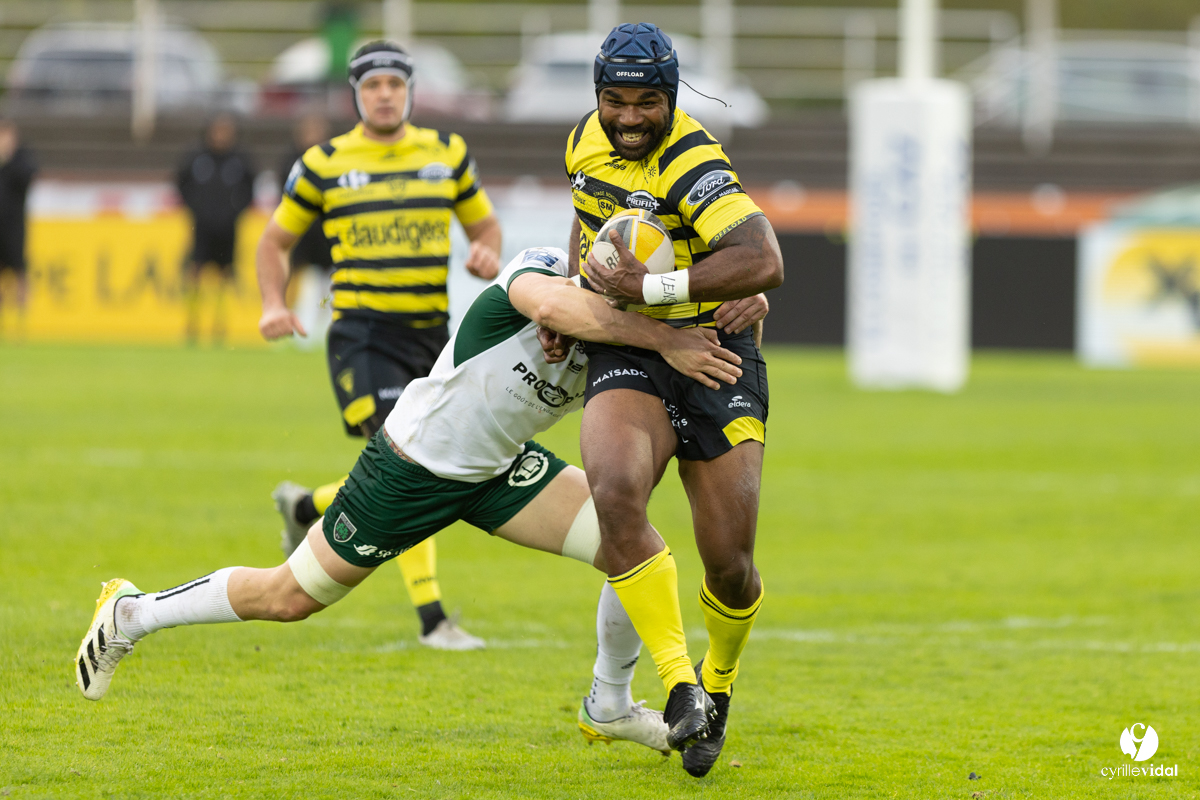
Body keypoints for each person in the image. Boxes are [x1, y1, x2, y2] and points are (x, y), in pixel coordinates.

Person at [73, 246, 753, 762]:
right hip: (412, 466)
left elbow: (717, 304)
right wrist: (662, 336)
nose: (616, 292)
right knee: (288, 597)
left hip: (499, 470)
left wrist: (749, 302)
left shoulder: (625, 335)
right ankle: (131, 612)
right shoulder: (540, 272)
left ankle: (607, 705)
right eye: (607, 277)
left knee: (631, 544)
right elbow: (552, 307)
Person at [562, 23, 784, 777]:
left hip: (714, 356)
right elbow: (586, 219)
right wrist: (571, 299)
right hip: (629, 349)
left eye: (647, 102)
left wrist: (650, 287)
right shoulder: (582, 142)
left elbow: (763, 259)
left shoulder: (692, 157)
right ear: (597, 97)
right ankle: (679, 685)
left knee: (729, 564)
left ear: (673, 96)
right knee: (617, 493)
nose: (629, 118)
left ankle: (717, 683)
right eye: (615, 101)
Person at [257, 42, 505, 650]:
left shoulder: (446, 154)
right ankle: (433, 620)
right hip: (363, 334)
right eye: (373, 86)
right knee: (411, 462)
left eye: (395, 83)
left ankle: (305, 507)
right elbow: (274, 242)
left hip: (432, 335)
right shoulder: (324, 162)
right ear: (356, 94)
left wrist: (486, 252)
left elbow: (485, 227)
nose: (385, 94)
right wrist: (272, 302)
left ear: (411, 90)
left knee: (417, 463)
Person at [177, 113, 256, 344]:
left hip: (228, 227)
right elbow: (181, 185)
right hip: (200, 226)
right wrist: (195, 209)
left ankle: (218, 326)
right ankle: (192, 324)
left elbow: (250, 190)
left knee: (224, 275)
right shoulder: (196, 158)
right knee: (195, 272)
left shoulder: (240, 160)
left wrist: (235, 212)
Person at [0, 120, 37, 333]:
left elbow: (29, 177)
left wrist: (8, 158)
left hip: (15, 227)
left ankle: (22, 325)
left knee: (20, 273)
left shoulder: (20, 158)